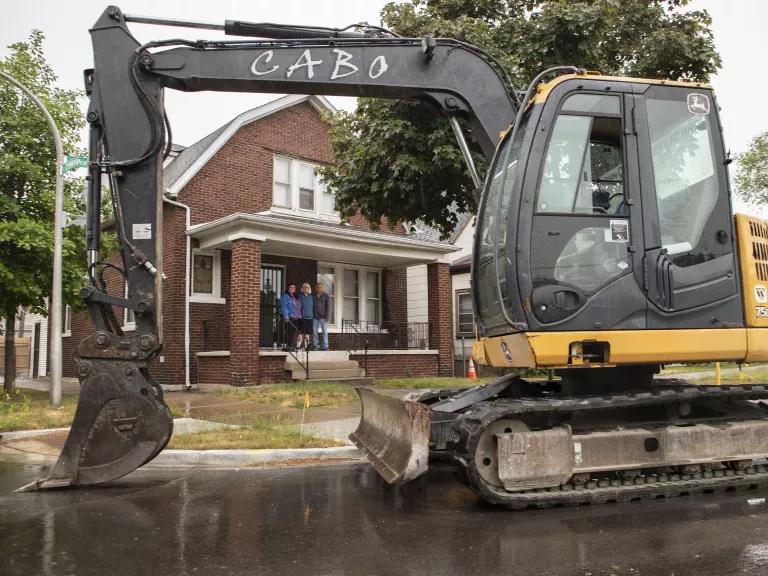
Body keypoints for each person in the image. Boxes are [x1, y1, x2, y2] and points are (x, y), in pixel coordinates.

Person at [279, 283, 301, 349]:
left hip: (296, 317)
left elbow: (298, 306)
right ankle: (289, 346)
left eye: (293, 287)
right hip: (289, 317)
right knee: (289, 332)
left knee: (294, 333)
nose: (292, 288)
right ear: (288, 288)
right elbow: (284, 306)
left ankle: (292, 346)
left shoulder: (295, 296)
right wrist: (286, 316)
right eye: (290, 287)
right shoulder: (285, 296)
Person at [313, 282, 330, 351]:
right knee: (314, 332)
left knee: (325, 332)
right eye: (318, 287)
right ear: (316, 288)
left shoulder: (326, 295)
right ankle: (315, 346)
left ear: (322, 288)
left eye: (320, 287)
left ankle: (325, 346)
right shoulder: (313, 295)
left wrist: (327, 317)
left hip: (323, 317)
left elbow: (328, 307)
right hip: (315, 317)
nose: (319, 288)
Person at [298, 282, 315, 350]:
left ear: (309, 289)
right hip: (302, 317)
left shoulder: (311, 297)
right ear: (302, 288)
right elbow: (298, 306)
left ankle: (306, 347)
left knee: (307, 333)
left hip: (310, 318)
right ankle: (298, 346)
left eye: (307, 287)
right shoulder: (300, 297)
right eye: (304, 287)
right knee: (301, 333)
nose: (306, 288)